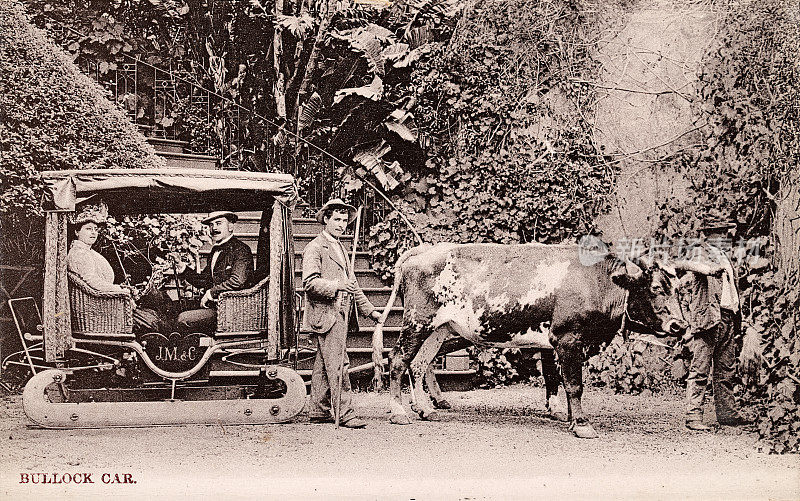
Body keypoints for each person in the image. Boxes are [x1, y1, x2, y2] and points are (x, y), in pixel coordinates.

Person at [302, 199, 382, 428]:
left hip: (340, 314)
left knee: (322, 365)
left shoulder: (341, 248)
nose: (341, 224)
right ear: (326, 219)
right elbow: (309, 283)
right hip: (327, 314)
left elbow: (353, 284)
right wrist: (336, 285)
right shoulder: (315, 247)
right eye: (336, 219)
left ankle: (318, 410)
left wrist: (370, 311)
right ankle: (345, 413)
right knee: (339, 364)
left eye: (344, 220)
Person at [676, 222, 752, 431]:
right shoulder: (701, 252)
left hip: (728, 317)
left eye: (726, 233)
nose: (726, 236)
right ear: (710, 235)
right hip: (709, 319)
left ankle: (727, 415)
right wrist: (709, 270)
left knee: (726, 370)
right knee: (700, 369)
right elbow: (682, 264)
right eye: (721, 233)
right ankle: (693, 417)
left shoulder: (724, 256)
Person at [67, 202, 163, 333]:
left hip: (104, 304)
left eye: (96, 229)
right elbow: (92, 282)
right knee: (152, 322)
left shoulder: (85, 251)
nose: (93, 233)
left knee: (153, 313)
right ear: (77, 231)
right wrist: (120, 290)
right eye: (89, 229)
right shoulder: (79, 253)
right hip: (99, 309)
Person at [174, 211, 254, 334]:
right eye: (211, 225)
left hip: (230, 312)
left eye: (218, 223)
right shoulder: (215, 251)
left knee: (184, 319)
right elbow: (204, 280)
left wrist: (211, 293)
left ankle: (187, 352)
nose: (214, 228)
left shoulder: (241, 250)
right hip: (215, 306)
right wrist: (182, 267)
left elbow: (237, 281)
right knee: (173, 307)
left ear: (231, 226)